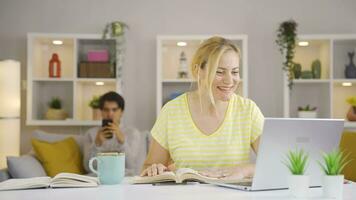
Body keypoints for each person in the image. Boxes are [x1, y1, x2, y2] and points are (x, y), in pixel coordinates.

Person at [141, 36, 264, 180]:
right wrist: (155, 169)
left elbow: (279, 162)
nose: (230, 80)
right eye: (219, 72)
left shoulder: (248, 111)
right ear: (198, 70)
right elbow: (148, 167)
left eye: (235, 72)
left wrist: (245, 170)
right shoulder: (171, 111)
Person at [83, 91, 139, 175]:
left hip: (124, 179)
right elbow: (88, 168)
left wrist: (122, 142)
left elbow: (131, 166)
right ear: (101, 111)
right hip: (97, 179)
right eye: (106, 110)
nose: (110, 114)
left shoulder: (132, 133)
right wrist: (97, 144)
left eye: (114, 109)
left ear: (122, 112)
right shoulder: (91, 133)